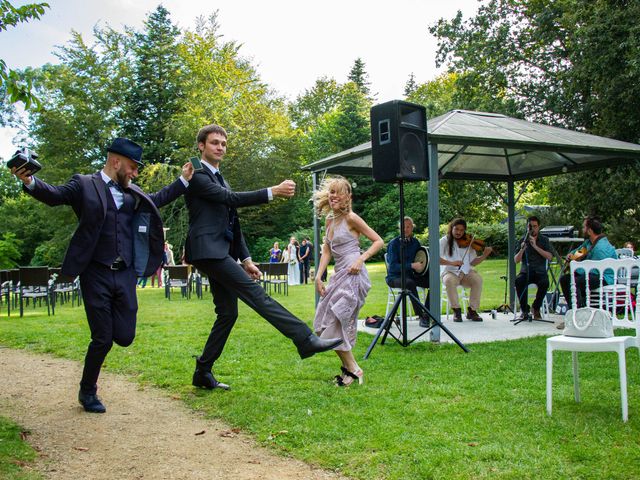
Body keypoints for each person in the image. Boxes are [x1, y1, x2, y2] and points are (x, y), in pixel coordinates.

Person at [12, 137, 193, 413]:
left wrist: (183, 181)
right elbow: (55, 195)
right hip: (94, 273)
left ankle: (100, 361)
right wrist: (29, 182)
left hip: (125, 275)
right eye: (132, 167)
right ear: (116, 161)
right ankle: (88, 391)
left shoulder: (132, 192)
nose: (135, 173)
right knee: (102, 338)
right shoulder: (84, 184)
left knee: (125, 336)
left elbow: (157, 200)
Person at [185, 124, 342, 390]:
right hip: (206, 251)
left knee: (227, 313)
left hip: (219, 251)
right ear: (201, 146)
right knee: (257, 296)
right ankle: (304, 338)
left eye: (223, 143)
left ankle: (203, 372)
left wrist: (245, 259)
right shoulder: (197, 176)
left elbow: (232, 222)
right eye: (214, 143)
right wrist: (273, 191)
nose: (220, 147)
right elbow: (230, 198)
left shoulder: (220, 177)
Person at [313, 176, 383, 386]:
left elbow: (378, 241)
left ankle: (353, 369)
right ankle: (350, 369)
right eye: (331, 192)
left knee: (336, 320)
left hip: (354, 274)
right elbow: (327, 251)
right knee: (322, 324)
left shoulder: (352, 218)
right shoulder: (329, 221)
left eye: (338, 192)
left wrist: (362, 259)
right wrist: (318, 275)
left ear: (347, 197)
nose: (333, 196)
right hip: (339, 273)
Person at [558, 215, 617, 325]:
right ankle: (575, 313)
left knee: (576, 281)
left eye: (584, 227)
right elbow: (579, 252)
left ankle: (580, 317)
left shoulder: (601, 248)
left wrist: (577, 270)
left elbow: (596, 269)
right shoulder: (590, 243)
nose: (582, 229)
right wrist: (571, 256)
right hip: (593, 274)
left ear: (590, 231)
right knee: (565, 279)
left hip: (604, 277)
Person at [439, 218, 493, 322]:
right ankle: (456, 310)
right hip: (450, 271)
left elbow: (473, 262)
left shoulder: (468, 242)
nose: (459, 232)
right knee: (449, 281)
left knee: (477, 279)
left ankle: (472, 311)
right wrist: (452, 263)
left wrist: (484, 255)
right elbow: (436, 258)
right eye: (456, 229)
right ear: (451, 229)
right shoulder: (444, 241)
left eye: (462, 230)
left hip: (465, 272)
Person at [385, 217, 431, 328]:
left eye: (408, 226)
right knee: (410, 283)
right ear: (399, 228)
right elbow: (393, 267)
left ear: (412, 227)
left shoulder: (415, 242)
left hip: (411, 276)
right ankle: (421, 316)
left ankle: (427, 314)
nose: (405, 229)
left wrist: (422, 267)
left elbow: (419, 258)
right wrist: (411, 265)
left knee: (432, 281)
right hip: (394, 278)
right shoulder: (394, 244)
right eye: (403, 227)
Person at [513, 216, 553, 320]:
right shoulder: (522, 239)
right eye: (530, 227)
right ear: (527, 227)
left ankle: (536, 308)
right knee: (519, 281)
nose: (532, 229)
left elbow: (549, 257)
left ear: (538, 227)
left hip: (540, 271)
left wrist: (535, 246)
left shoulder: (544, 240)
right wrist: (522, 249)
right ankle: (524, 310)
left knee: (545, 283)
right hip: (526, 271)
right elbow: (516, 260)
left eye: (535, 226)